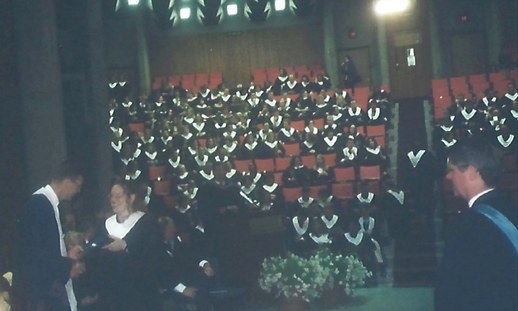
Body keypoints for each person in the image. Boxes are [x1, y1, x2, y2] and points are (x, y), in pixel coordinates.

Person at [435, 135, 518, 311]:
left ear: (471, 173)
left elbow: (451, 294)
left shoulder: (466, 227)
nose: (449, 176)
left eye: (452, 169)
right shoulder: (512, 209)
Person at [12, 160, 85, 311]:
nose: (78, 190)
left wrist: (67, 256)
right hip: (39, 296)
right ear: (67, 181)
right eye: (78, 185)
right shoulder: (39, 204)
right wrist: (67, 266)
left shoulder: (46, 204)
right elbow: (36, 255)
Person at [95, 178, 162, 311]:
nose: (113, 200)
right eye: (111, 196)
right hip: (111, 295)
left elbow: (154, 255)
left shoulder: (146, 223)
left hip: (139, 293)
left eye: (118, 196)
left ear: (131, 198)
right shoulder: (106, 225)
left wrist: (126, 246)